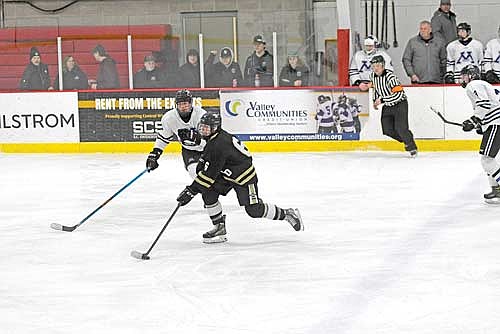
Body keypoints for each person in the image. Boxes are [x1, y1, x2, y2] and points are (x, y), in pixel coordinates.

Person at [176, 112, 304, 243]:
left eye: (207, 127)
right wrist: (202, 162)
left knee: (254, 210)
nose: (203, 130)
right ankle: (219, 227)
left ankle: (287, 214)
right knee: (208, 193)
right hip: (226, 174)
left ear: (215, 128)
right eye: (202, 127)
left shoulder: (219, 144)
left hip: (244, 178)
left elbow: (209, 176)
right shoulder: (214, 139)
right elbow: (209, 155)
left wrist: (191, 191)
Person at [459, 65, 500, 204]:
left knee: (487, 160)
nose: (461, 79)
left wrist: (474, 120)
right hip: (494, 123)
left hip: (496, 123)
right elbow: (489, 106)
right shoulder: (483, 84)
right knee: (492, 160)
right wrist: (479, 125)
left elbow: (484, 104)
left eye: (464, 76)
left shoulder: (474, 84)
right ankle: (496, 189)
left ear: (471, 75)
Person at [145, 89, 207, 179]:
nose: (183, 107)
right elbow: (163, 138)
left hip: (207, 151)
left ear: (191, 103)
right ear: (176, 105)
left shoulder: (201, 116)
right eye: (180, 104)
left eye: (185, 103)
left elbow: (211, 140)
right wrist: (154, 154)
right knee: (196, 174)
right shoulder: (169, 118)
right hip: (189, 151)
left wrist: (197, 139)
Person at [369, 55, 418, 157]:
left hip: (400, 104)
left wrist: (381, 100)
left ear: (383, 66)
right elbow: (375, 88)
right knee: (387, 130)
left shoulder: (391, 77)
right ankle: (406, 138)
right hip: (387, 105)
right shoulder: (372, 76)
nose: (375, 68)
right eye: (373, 66)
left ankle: (411, 146)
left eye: (377, 66)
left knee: (401, 128)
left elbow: (398, 94)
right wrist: (375, 100)